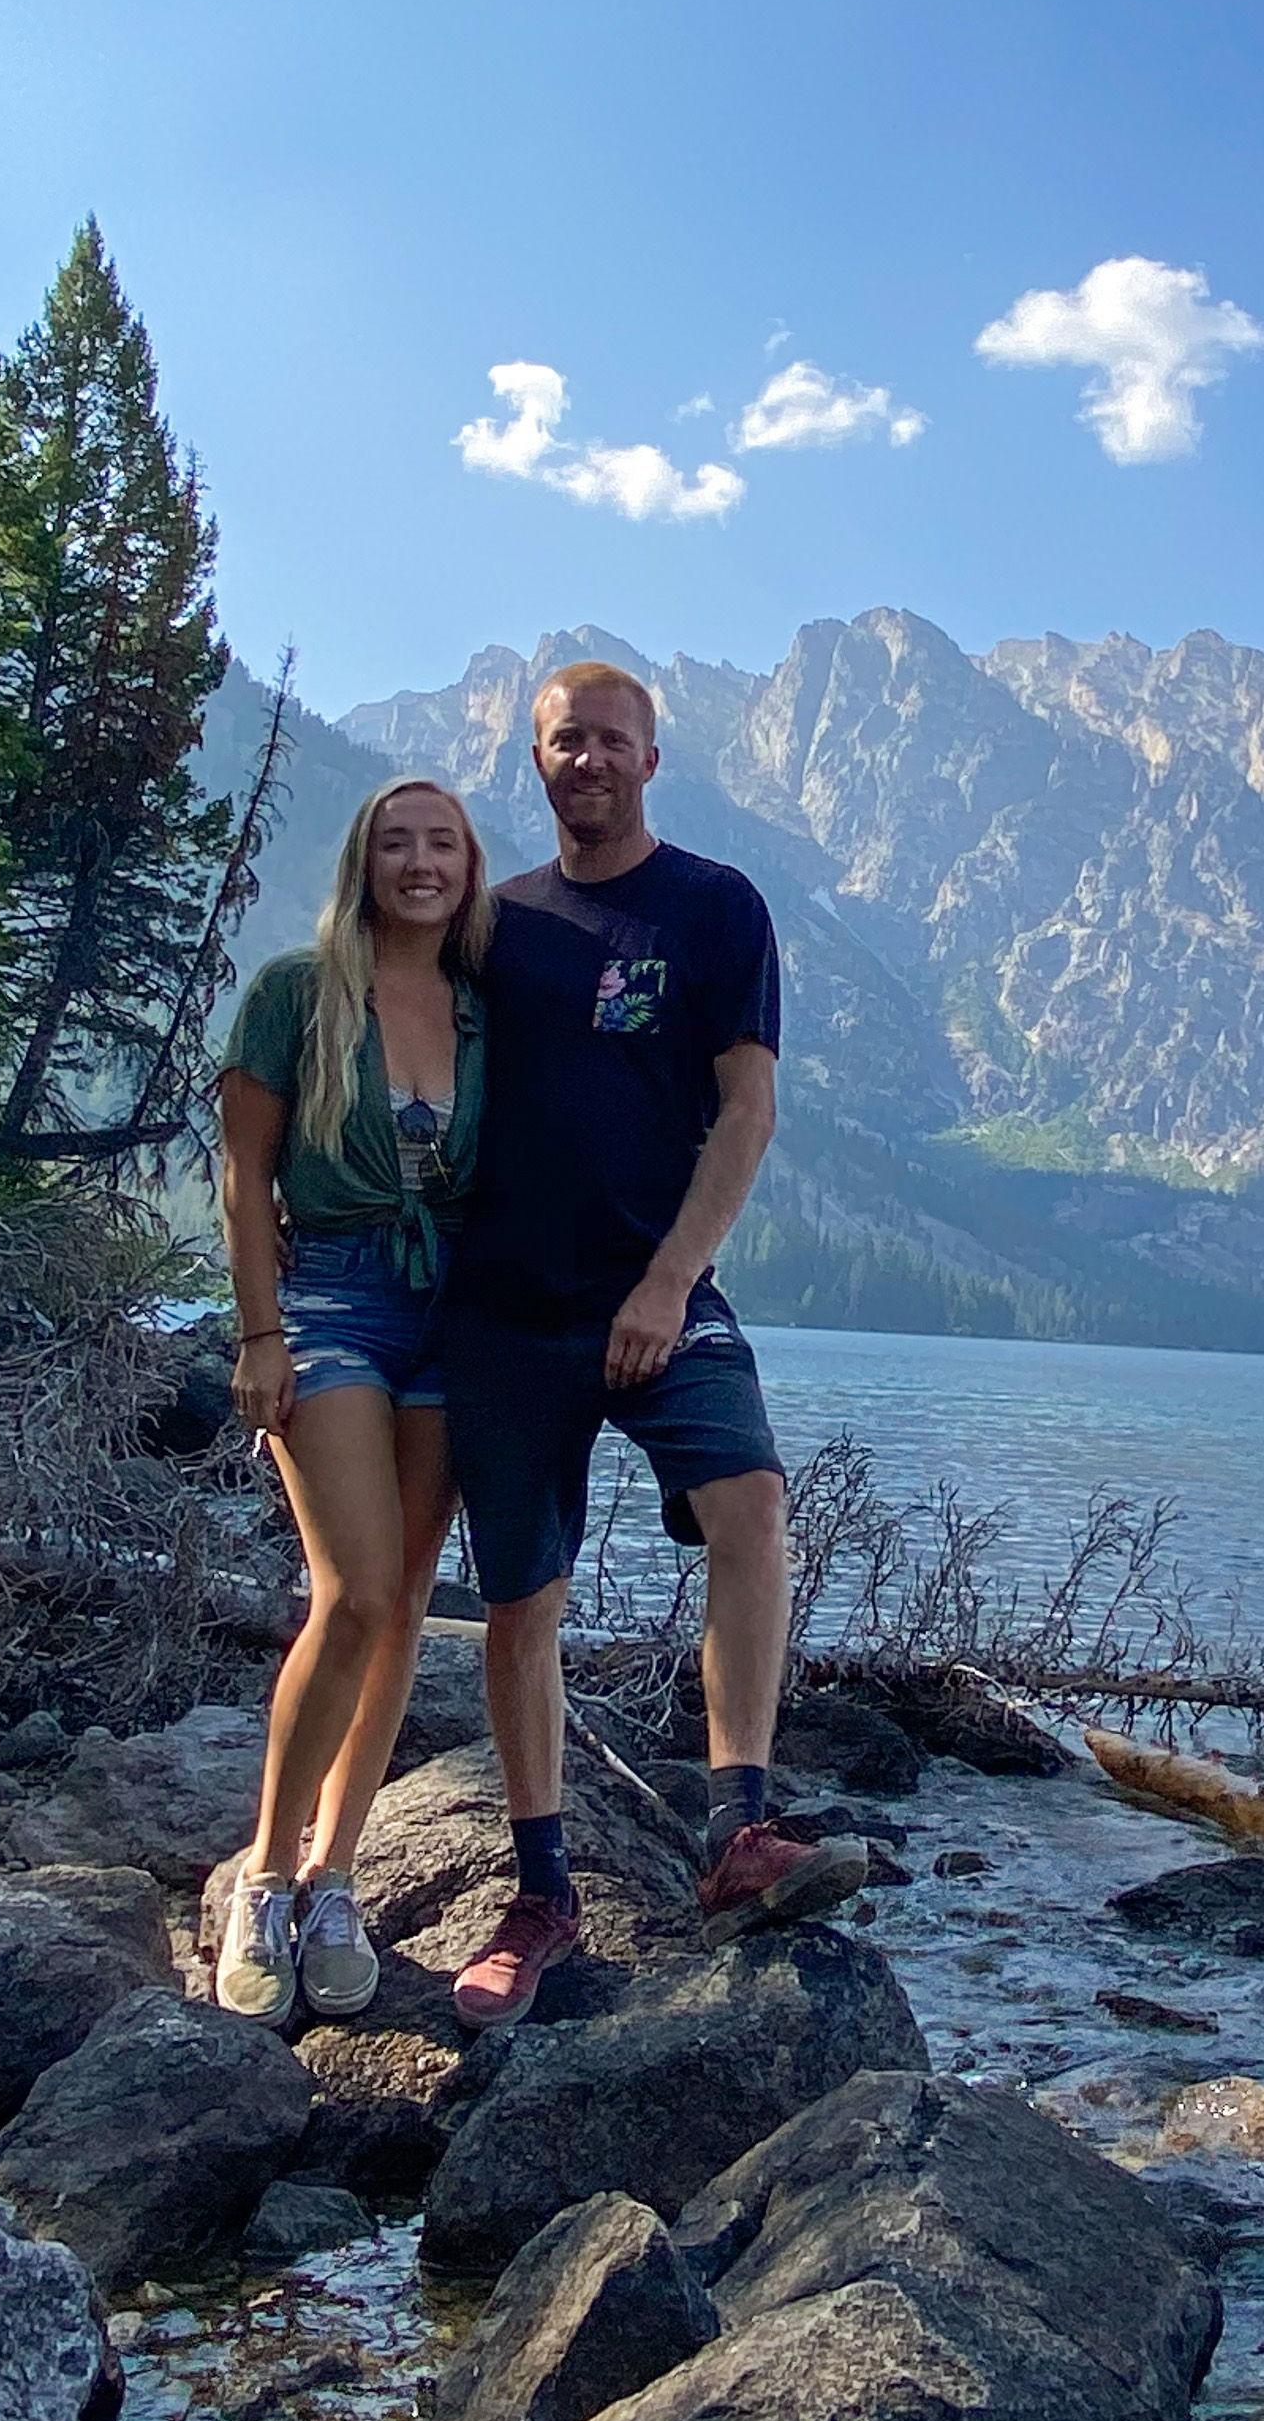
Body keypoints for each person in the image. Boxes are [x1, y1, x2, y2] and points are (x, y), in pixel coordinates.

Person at [437, 659, 858, 2031]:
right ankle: (541, 1887)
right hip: (505, 1306)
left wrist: (672, 1280)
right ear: (537, 759)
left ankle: (741, 1828)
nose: (590, 761)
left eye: (612, 740)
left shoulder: (715, 907)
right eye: (566, 742)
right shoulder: (493, 927)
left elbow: (747, 1114)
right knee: (522, 1600)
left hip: (662, 1289)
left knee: (749, 1499)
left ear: (653, 759)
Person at [201, 778, 492, 2023]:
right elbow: (242, 1178)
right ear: (362, 860)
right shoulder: (293, 996)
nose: (419, 862)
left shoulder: (487, 1010)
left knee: (407, 1606)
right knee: (355, 1590)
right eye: (395, 840)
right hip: (329, 1300)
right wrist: (259, 1333)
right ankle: (264, 1879)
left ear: (470, 865)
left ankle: (336, 1878)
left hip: (457, 1315)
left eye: (442, 842)